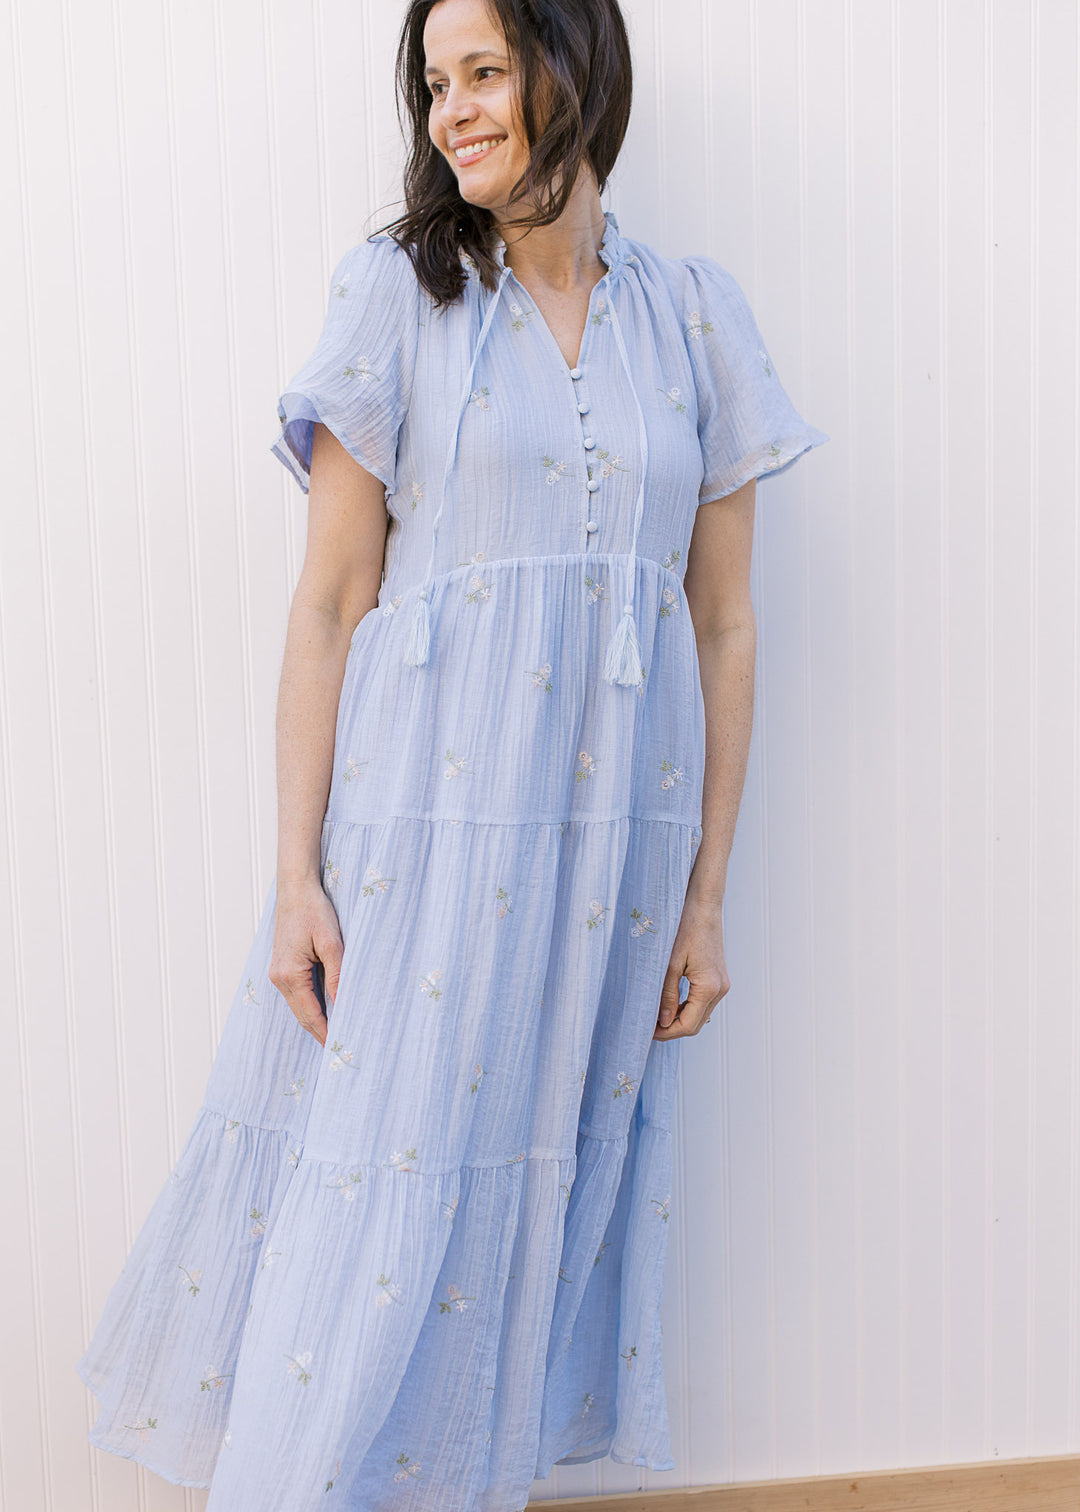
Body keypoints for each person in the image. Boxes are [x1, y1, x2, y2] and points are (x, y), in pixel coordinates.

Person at [76, 0, 827, 1507]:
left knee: (522, 1208)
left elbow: (725, 624)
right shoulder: (395, 295)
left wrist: (706, 894)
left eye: (485, 72)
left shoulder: (693, 314)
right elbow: (334, 597)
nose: (454, 113)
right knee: (377, 1194)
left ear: (575, 69)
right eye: (436, 83)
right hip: (421, 837)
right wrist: (293, 877)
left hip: (613, 854)